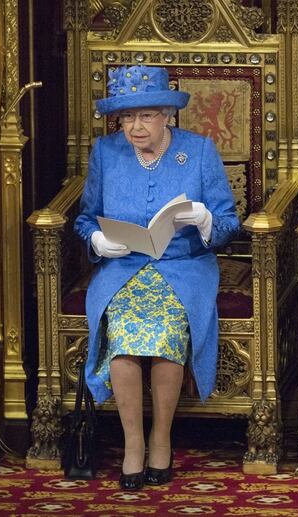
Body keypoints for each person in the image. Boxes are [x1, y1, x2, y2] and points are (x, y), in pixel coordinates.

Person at [74, 65, 240, 490]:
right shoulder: (105, 152)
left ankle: (160, 437)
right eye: (127, 118)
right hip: (123, 268)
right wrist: (95, 240)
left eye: (145, 116)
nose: (135, 127)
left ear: (167, 114)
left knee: (167, 329)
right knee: (126, 333)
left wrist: (204, 219)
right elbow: (85, 217)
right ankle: (133, 445)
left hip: (184, 268)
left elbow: (227, 223)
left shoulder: (198, 151)